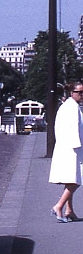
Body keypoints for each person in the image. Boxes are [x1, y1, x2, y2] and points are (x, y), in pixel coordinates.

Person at [49, 81, 83, 222]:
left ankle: (69, 210)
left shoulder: (69, 106)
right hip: (73, 148)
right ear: (72, 93)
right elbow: (74, 129)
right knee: (76, 180)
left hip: (67, 146)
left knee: (71, 178)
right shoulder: (72, 108)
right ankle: (59, 206)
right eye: (79, 92)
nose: (82, 95)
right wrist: (78, 146)